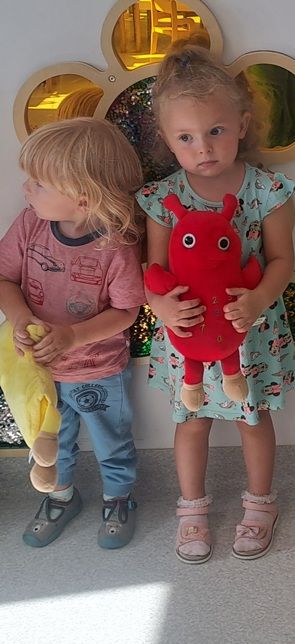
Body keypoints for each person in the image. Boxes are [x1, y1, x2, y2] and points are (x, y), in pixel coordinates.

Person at [137, 42, 295, 564]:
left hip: (249, 329)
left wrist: (258, 299)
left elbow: (281, 260)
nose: (203, 147)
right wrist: (160, 307)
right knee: (192, 420)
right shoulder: (163, 199)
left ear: (242, 125)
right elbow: (152, 271)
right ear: (167, 140)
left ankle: (261, 503)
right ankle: (192, 509)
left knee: (253, 418)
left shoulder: (266, 190)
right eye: (185, 137)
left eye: (216, 131)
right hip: (186, 336)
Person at [0, 117, 145, 549]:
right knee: (51, 443)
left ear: (82, 198)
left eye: (39, 184)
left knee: (111, 442)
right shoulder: (29, 224)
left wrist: (73, 337)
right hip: (41, 370)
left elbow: (126, 311)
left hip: (98, 369)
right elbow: (4, 279)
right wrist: (20, 317)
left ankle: (118, 499)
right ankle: (60, 497)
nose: (26, 189)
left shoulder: (116, 246)